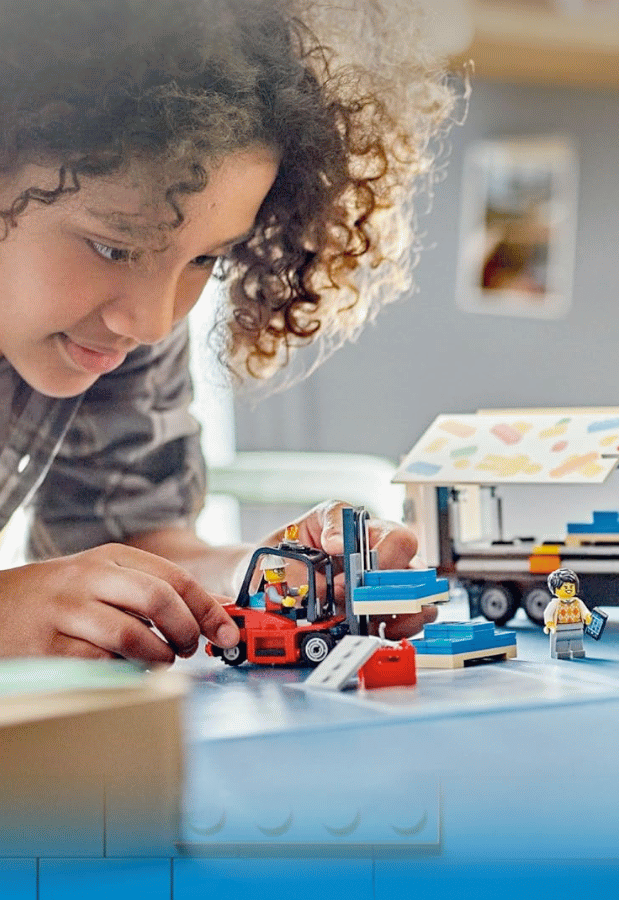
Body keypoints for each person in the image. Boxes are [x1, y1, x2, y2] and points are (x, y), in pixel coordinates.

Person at [0, 0, 455, 663]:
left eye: (203, 260)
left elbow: (132, 541)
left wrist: (270, 578)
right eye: (113, 248)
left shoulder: (107, 331)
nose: (153, 322)